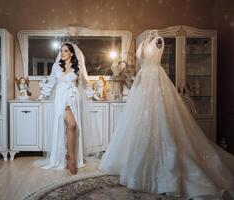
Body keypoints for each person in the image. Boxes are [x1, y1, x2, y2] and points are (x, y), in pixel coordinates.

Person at [99, 30, 234, 199]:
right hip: (142, 84)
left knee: (160, 120)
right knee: (138, 123)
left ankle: (162, 170)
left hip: (155, 80)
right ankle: (138, 164)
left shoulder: (158, 40)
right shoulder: (144, 41)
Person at [36, 43, 101, 174]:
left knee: (72, 127)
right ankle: (71, 158)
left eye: (65, 51)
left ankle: (70, 157)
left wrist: (94, 95)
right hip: (61, 98)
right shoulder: (56, 67)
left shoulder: (78, 68)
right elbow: (51, 82)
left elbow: (85, 83)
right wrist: (43, 94)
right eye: (61, 51)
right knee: (70, 125)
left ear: (71, 53)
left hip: (74, 98)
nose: (62, 53)